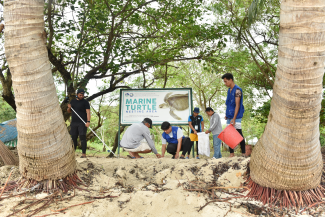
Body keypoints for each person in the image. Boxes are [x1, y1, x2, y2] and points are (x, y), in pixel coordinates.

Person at [222, 73, 246, 157]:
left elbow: (237, 105)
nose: (225, 83)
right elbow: (228, 104)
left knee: (239, 134)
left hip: (236, 117)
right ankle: (231, 154)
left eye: (226, 81)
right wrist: (227, 115)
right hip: (229, 116)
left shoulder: (238, 90)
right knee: (228, 135)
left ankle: (243, 153)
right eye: (224, 82)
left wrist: (234, 118)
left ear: (231, 80)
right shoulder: (229, 90)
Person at [67, 88, 90, 158]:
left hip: (82, 122)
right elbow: (69, 111)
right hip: (74, 122)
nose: (81, 96)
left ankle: (83, 154)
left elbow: (88, 112)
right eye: (80, 95)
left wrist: (88, 121)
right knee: (73, 137)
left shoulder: (85, 102)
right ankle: (73, 153)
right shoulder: (73, 101)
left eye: (82, 95)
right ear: (77, 94)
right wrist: (69, 107)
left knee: (82, 137)